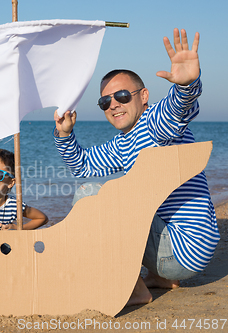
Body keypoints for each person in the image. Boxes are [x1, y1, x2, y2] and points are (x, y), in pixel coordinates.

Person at [53, 28, 220, 306]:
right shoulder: (122, 143)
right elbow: (82, 166)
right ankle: (161, 278)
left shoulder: (154, 123)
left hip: (182, 247)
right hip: (181, 251)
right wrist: (64, 135)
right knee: (90, 186)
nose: (114, 105)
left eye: (121, 96)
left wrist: (187, 86)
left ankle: (133, 289)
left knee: (89, 196)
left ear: (143, 96)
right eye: (105, 101)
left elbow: (177, 110)